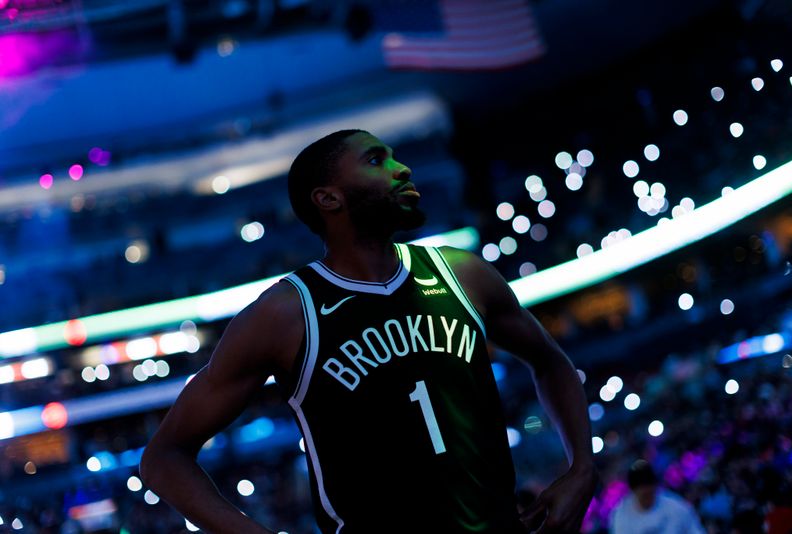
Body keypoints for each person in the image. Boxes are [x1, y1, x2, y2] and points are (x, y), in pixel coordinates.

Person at [140, 129, 597, 533]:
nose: (402, 168)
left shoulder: (463, 275)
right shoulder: (287, 313)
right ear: (328, 198)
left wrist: (582, 468)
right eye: (377, 160)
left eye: (395, 156)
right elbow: (164, 459)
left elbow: (552, 361)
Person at [610, 460, 706, 534]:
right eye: (644, 494)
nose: (648, 496)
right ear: (633, 491)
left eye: (650, 491)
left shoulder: (677, 508)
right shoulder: (621, 515)